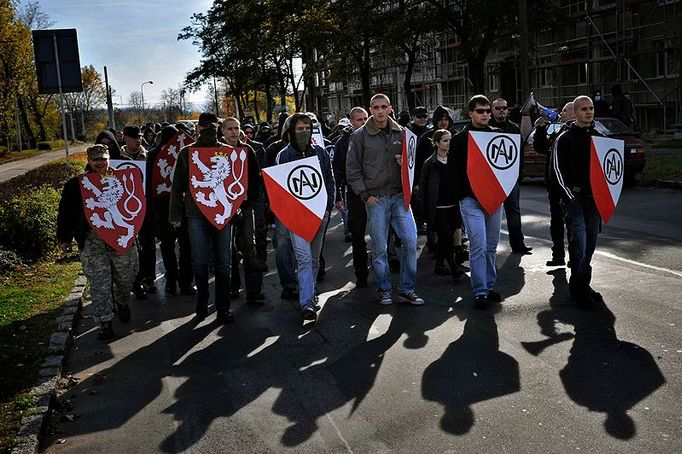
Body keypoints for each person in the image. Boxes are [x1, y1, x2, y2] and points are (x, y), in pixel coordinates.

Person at [346, 93, 424, 306]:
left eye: (384, 107)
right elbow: (352, 169)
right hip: (376, 199)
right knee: (379, 248)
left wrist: (404, 165)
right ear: (371, 110)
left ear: (390, 108)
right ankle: (384, 289)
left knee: (410, 240)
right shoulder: (360, 136)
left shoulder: (403, 133)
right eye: (376, 107)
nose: (380, 111)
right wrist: (365, 195)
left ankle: (407, 289)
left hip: (399, 197)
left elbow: (412, 167)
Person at [57, 145, 138, 340]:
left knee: (126, 276)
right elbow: (65, 213)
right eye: (95, 160)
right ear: (88, 161)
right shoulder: (76, 185)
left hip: (120, 237)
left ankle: (122, 301)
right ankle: (105, 322)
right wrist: (64, 238)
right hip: (92, 240)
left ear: (109, 158)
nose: (99, 163)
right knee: (100, 282)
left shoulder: (124, 179)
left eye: (102, 158)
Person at [169, 112, 235, 324]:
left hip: (222, 214)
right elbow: (177, 186)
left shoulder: (227, 152)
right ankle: (202, 304)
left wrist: (236, 208)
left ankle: (223, 307)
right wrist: (175, 214)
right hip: (195, 214)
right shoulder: (187, 153)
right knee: (200, 262)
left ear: (217, 127)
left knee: (224, 263)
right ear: (197, 128)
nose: (207, 129)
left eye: (211, 125)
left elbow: (236, 182)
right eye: (203, 126)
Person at [276, 113, 334, 321]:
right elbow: (281, 188)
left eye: (307, 128)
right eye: (299, 129)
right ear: (291, 131)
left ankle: (311, 291)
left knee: (314, 259)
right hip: (296, 218)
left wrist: (327, 208)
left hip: (320, 214)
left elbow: (329, 179)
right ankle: (307, 303)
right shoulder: (284, 155)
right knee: (303, 259)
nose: (304, 132)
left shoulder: (321, 152)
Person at [448, 95, 503, 309]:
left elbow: (506, 166)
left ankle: (489, 286)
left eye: (488, 111)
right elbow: (452, 172)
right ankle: (480, 291)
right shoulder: (460, 140)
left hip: (494, 200)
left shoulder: (498, 136)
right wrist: (462, 195)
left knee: (491, 246)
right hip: (471, 200)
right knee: (478, 245)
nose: (485, 114)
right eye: (480, 111)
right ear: (470, 113)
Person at [552, 96, 605, 306]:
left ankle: (584, 283)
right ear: (575, 113)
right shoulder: (563, 139)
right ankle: (579, 290)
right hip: (574, 202)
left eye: (591, 108)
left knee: (590, 245)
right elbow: (557, 171)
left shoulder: (600, 138)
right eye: (584, 109)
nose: (589, 112)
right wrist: (570, 196)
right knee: (579, 245)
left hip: (595, 202)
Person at [220, 117, 266, 305]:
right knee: (227, 249)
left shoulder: (247, 150)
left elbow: (256, 180)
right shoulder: (216, 152)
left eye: (237, 128)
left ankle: (253, 291)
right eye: (230, 128)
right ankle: (231, 287)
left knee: (249, 246)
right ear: (222, 131)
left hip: (246, 207)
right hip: (223, 208)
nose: (234, 132)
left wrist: (248, 201)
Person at [147, 125, 195, 295]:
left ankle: (186, 281)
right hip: (162, 206)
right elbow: (150, 184)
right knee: (167, 245)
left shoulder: (188, 152)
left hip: (184, 204)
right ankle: (171, 280)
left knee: (186, 245)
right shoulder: (153, 155)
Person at [415, 129, 464, 280]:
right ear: (436, 143)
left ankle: (439, 265)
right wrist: (423, 212)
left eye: (450, 140)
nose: (449, 143)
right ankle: (453, 268)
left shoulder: (454, 159)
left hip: (453, 206)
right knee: (447, 237)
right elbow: (423, 188)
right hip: (438, 207)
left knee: (445, 238)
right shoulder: (430, 163)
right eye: (445, 140)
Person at [489, 98, 532, 254]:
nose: (501, 110)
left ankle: (518, 244)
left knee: (513, 210)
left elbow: (519, 153)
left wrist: (519, 173)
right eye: (498, 108)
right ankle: (488, 246)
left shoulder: (514, 128)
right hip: (491, 178)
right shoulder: (486, 128)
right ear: (492, 110)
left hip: (510, 177)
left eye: (504, 108)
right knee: (490, 211)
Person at [534, 101, 575, 266]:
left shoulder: (573, 133)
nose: (561, 113)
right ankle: (558, 255)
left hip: (570, 187)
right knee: (556, 222)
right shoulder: (558, 132)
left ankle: (574, 256)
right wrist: (540, 129)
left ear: (574, 113)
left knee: (573, 223)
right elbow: (541, 147)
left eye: (565, 111)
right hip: (554, 186)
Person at [333, 107, 369, 286]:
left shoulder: (376, 137)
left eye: (365, 119)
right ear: (351, 122)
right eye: (359, 120)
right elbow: (337, 171)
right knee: (358, 236)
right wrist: (338, 196)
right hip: (355, 195)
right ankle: (361, 275)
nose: (363, 122)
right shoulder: (343, 143)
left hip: (378, 194)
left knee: (382, 236)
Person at [121, 125, 155, 299]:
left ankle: (149, 279)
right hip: (126, 211)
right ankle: (135, 282)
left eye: (140, 136)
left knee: (148, 246)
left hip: (146, 209)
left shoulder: (149, 156)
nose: (138, 139)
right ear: (125, 138)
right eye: (134, 137)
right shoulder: (117, 158)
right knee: (132, 248)